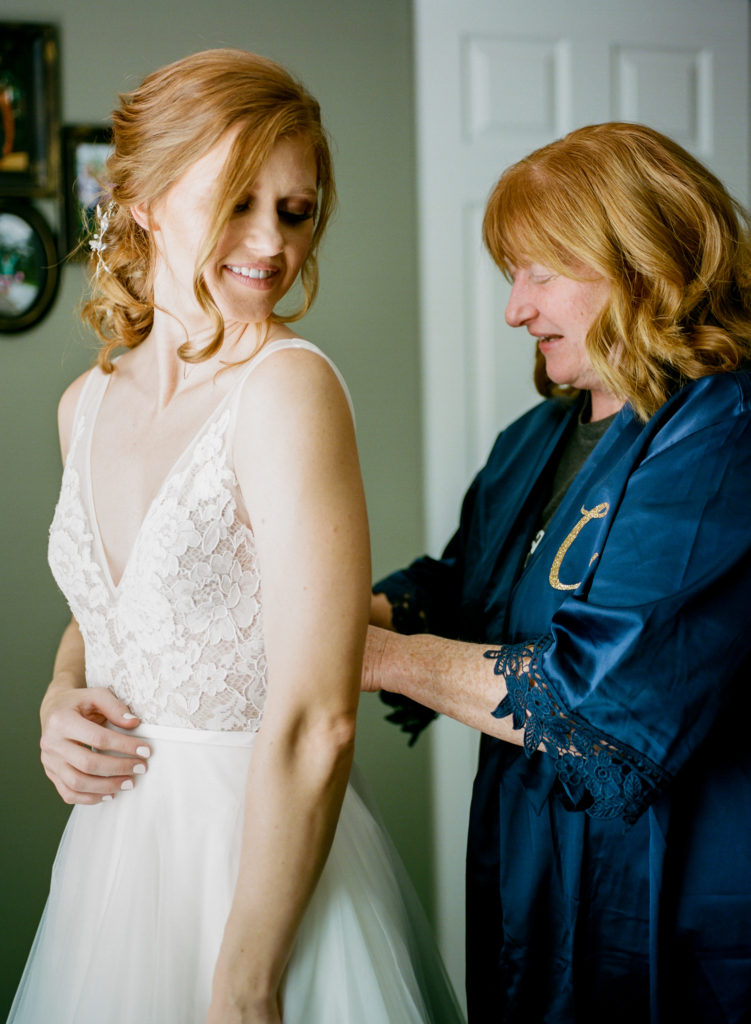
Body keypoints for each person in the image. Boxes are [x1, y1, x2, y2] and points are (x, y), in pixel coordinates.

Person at [8, 49, 463, 1024]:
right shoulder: (82, 405)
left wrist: (247, 982)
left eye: (294, 212)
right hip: (113, 871)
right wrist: (59, 698)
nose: (269, 243)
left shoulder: (287, 390)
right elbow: (114, 614)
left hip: (256, 872)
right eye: (236, 201)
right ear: (142, 200)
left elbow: (317, 715)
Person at [364, 122, 751, 1023]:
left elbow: (594, 698)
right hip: (529, 867)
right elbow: (463, 588)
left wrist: (365, 654)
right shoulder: (534, 439)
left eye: (541, 272)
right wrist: (354, 605)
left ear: (648, 261)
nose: (514, 308)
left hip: (669, 884)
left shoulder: (722, 432)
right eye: (511, 274)